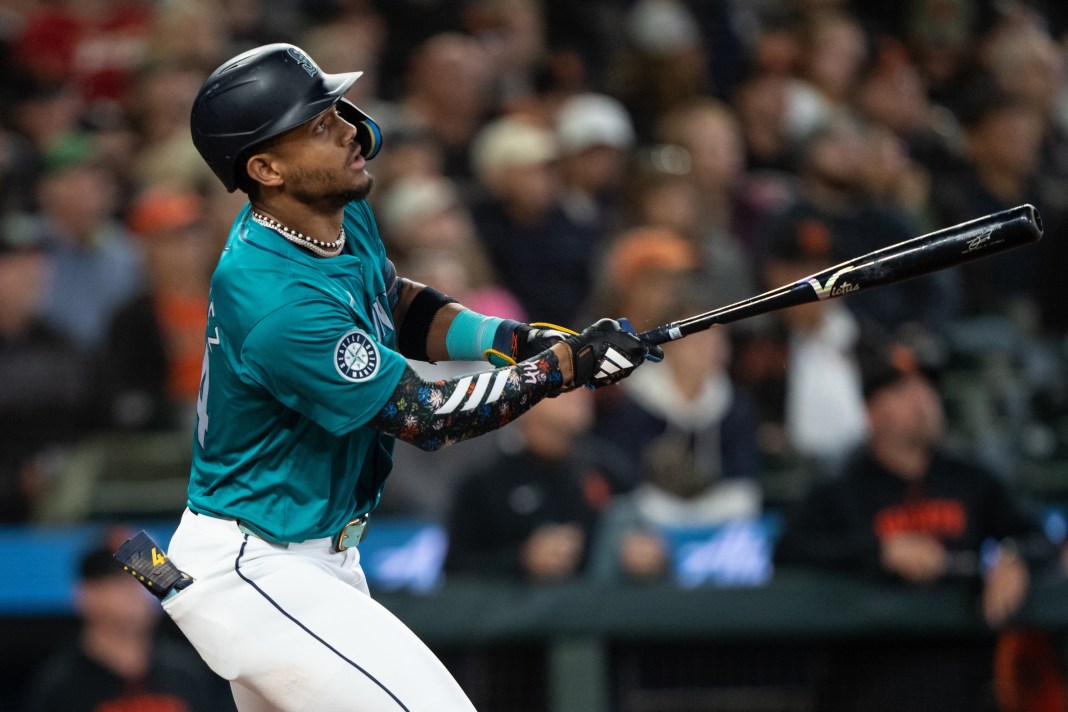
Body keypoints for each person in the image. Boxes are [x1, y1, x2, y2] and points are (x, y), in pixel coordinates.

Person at [117, 43, 661, 712]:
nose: (350, 128)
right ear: (265, 167)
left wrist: (515, 340)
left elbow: (392, 301)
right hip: (256, 567)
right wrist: (560, 369)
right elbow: (426, 416)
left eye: (334, 110)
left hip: (313, 559)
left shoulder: (328, 214)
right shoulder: (273, 300)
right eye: (318, 124)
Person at [774, 335, 1057, 712]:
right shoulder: (840, 488)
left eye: (927, 386)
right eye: (903, 390)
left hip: (960, 676)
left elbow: (1038, 538)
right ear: (871, 411)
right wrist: (880, 552)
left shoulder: (970, 478)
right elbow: (787, 551)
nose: (923, 400)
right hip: (868, 678)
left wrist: (1014, 558)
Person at [20, 531, 231, 712]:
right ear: (85, 594)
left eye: (146, 578)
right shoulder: (60, 686)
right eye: (120, 580)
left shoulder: (186, 672)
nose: (137, 590)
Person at [444, 387, 628, 582]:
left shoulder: (611, 471)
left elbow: (640, 527)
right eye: (564, 385)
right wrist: (521, 560)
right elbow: (455, 569)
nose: (579, 394)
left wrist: (640, 554)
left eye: (584, 384)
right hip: (514, 609)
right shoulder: (484, 485)